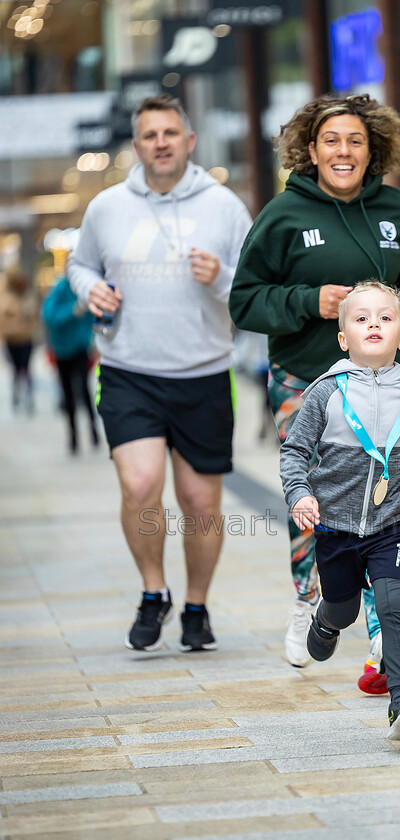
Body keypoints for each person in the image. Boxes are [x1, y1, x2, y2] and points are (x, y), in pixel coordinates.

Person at [229, 93, 400, 686]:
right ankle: (307, 599)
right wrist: (306, 302)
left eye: (354, 141)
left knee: (383, 500)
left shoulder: (394, 206)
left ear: (372, 149)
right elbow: (244, 302)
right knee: (316, 501)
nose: (342, 151)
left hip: (384, 388)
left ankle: (379, 639)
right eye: (330, 141)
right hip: (306, 380)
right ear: (311, 150)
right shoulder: (283, 215)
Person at [68, 94, 252, 652]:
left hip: (204, 373)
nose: (162, 143)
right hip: (128, 370)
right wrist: (87, 289)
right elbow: (80, 264)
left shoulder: (225, 207)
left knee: (200, 502)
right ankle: (154, 592)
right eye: (150, 135)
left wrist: (221, 277)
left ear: (189, 141)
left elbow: (252, 292)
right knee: (140, 483)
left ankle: (196, 606)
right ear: (137, 145)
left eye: (171, 133)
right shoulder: (106, 207)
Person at [279, 281, 400, 746]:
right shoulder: (326, 393)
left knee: (393, 605)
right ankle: (325, 622)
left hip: (393, 523)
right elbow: (294, 451)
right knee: (344, 610)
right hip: (336, 528)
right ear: (343, 337)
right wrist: (299, 493)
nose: (374, 325)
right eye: (361, 318)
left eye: (386, 318)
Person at [42, 238, 99, 454]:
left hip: (80, 348)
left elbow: (93, 320)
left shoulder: (85, 288)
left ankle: (93, 430)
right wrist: (72, 311)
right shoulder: (60, 289)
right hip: (62, 348)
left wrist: (94, 341)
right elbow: (49, 316)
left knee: (85, 389)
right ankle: (73, 435)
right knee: (67, 392)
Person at [0, 270, 39, 413]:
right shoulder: (7, 297)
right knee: (16, 370)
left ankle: (28, 397)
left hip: (26, 339)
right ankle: (16, 396)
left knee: (26, 369)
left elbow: (33, 314)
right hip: (12, 339)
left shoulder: (28, 296)